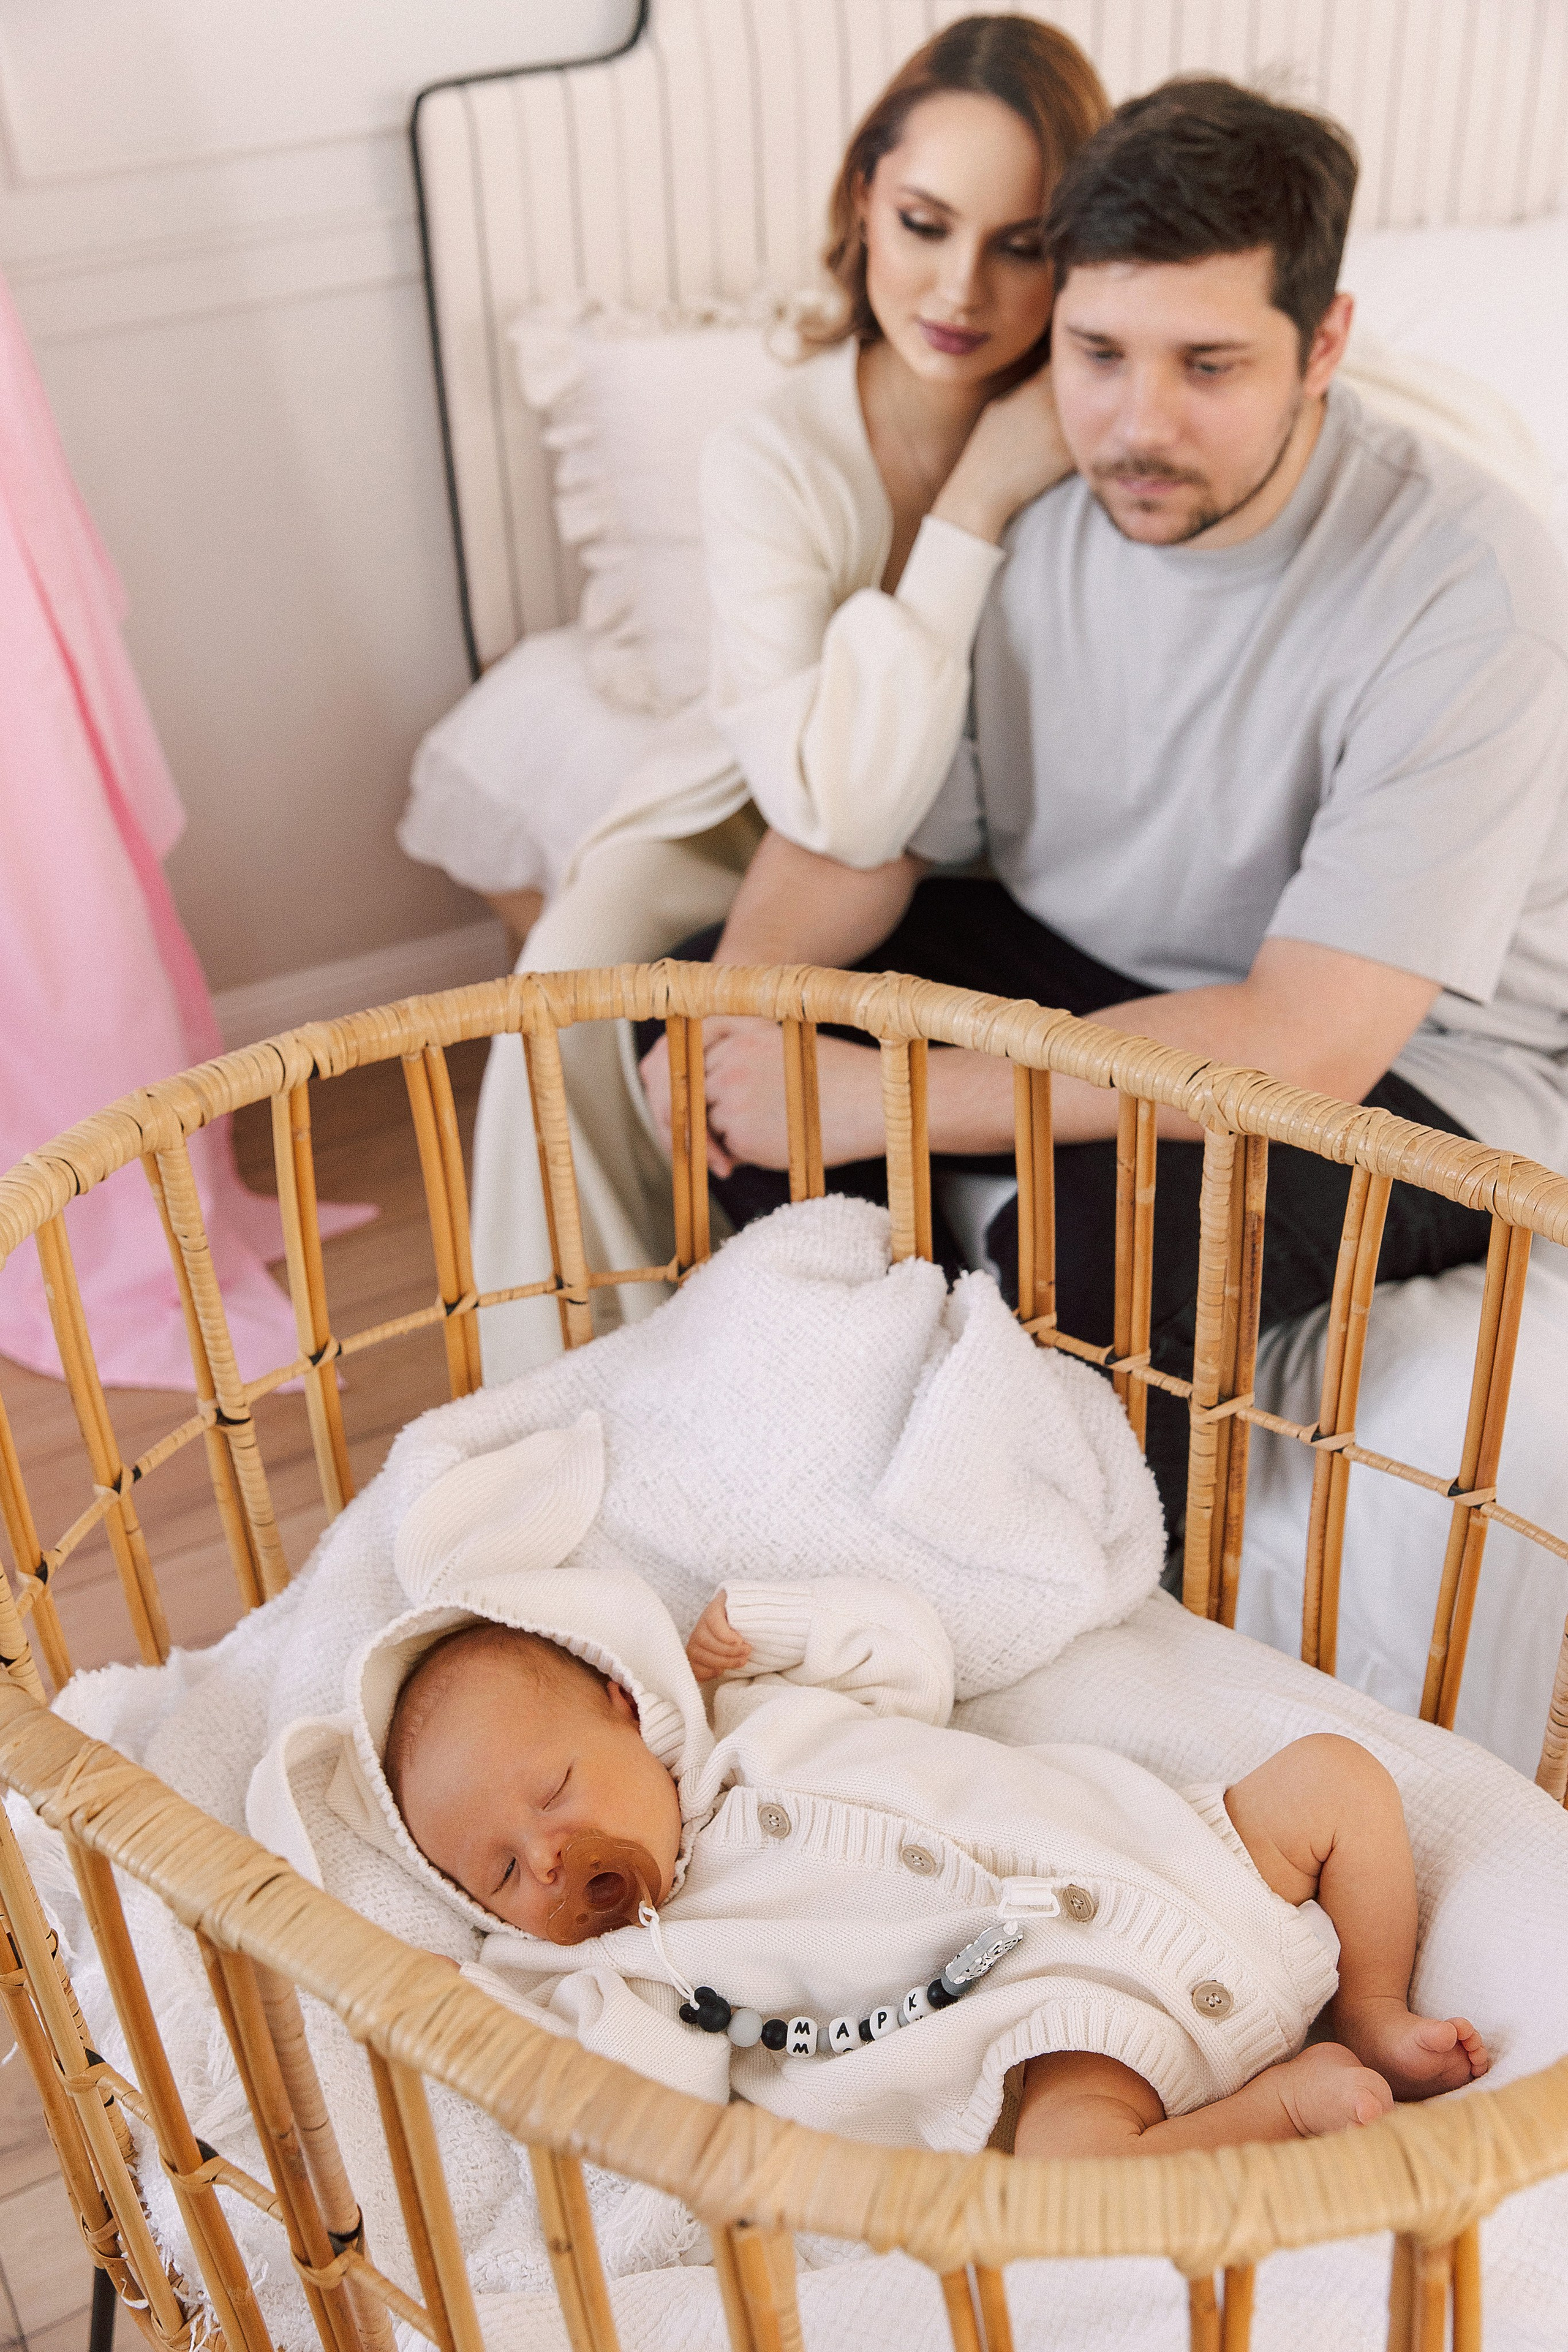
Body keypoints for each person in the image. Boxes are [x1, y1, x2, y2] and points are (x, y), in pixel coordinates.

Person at [641, 77, 1568, 1531]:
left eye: (1208, 365)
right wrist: (736, 1019)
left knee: (1109, 1237)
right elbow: (872, 840)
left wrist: (867, 1100)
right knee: (722, 990)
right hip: (1103, 962)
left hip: (1418, 1066)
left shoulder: (1468, 586)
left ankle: (1089, 1633)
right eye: (1095, 354)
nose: (1137, 425)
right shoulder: (1032, 497)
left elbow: (1301, 1043)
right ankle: (817, 1462)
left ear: (1320, 345)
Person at [466, 17, 1108, 1382]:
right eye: (926, 222)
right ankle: (584, 1377)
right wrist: (975, 508)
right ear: (861, 197)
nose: (960, 288)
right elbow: (844, 803)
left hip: (1008, 838)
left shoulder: (1105, 419)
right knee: (576, 970)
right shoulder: (776, 453)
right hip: (770, 797)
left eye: (1022, 243)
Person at [383, 1578, 1486, 2159]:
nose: (553, 1857)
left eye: (555, 1793)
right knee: (1070, 2177)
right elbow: (631, 2088)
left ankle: (1373, 2008)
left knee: (1339, 1781)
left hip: (1188, 1855)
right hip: (1068, 2025)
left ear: (628, 1708)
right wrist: (473, 1994)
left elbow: (912, 1659)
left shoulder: (760, 1722)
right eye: (501, 1875)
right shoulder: (656, 1971)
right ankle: (1279, 2110)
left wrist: (770, 1626)